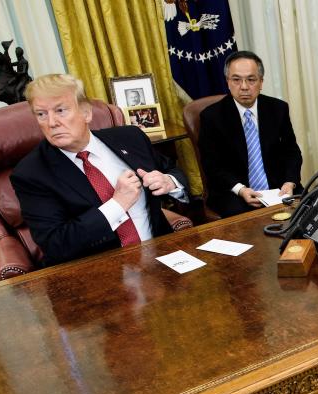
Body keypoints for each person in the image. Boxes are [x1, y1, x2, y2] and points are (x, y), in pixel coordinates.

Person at [11, 74, 188, 267]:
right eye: (41, 114)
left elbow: (172, 170)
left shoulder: (130, 138)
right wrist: (118, 204)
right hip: (97, 274)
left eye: (60, 110)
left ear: (86, 113)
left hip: (162, 259)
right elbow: (57, 244)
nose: (51, 122)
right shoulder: (31, 173)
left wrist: (170, 181)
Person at [198, 50, 303, 217]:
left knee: (307, 212)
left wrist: (290, 182)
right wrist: (241, 190)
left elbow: (292, 151)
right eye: (236, 80)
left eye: (251, 80)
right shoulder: (211, 117)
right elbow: (212, 166)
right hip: (233, 191)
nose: (244, 87)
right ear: (228, 82)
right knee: (247, 225)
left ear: (261, 82)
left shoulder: (278, 109)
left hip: (278, 189)